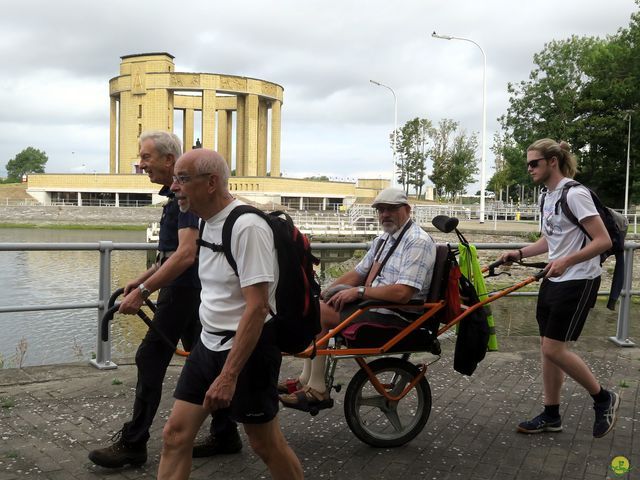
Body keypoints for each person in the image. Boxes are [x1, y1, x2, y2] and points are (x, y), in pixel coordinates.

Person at [88, 131, 241, 469]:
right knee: (206, 360)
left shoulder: (185, 195)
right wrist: (141, 279)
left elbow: (187, 254)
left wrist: (144, 292)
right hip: (192, 291)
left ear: (169, 161)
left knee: (149, 358)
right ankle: (226, 432)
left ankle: (134, 443)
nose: (140, 164)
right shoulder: (177, 197)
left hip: (185, 291)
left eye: (146, 157)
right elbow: (171, 254)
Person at [157, 148, 303, 480]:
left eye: (182, 179)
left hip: (247, 351)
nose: (174, 186)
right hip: (207, 346)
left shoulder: (246, 226)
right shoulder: (205, 222)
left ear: (210, 183)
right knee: (175, 436)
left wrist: (228, 376)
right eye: (175, 178)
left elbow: (257, 306)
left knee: (265, 443)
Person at [500, 138, 620, 438]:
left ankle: (603, 398)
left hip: (579, 280)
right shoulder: (546, 197)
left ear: (552, 161)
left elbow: (602, 241)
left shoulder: (575, 194)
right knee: (548, 350)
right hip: (555, 278)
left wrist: (567, 261)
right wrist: (520, 253)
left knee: (553, 348)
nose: (529, 169)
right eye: (528, 163)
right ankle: (551, 415)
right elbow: (549, 240)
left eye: (534, 163)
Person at [279, 187, 436, 412]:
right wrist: (324, 291)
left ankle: (318, 390)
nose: (385, 215)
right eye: (381, 210)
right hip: (377, 306)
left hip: (397, 315)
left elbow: (403, 293)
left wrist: (360, 292)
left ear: (407, 210)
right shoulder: (384, 239)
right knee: (316, 306)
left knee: (319, 313)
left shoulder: (417, 241)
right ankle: (307, 380)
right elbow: (358, 273)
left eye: (391, 209)